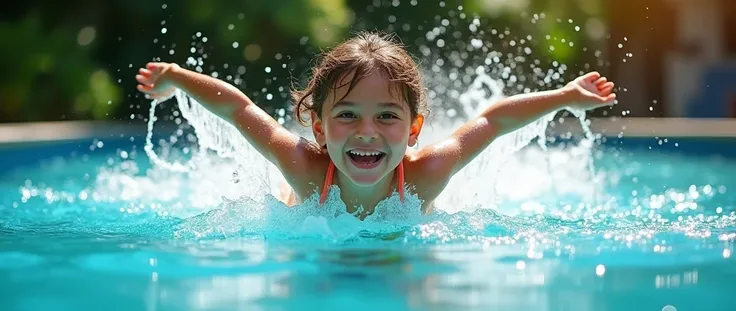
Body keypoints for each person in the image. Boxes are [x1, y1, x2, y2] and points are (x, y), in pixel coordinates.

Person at [135, 32, 615, 218]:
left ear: (413, 130)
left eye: (387, 116)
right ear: (319, 130)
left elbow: (492, 120)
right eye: (347, 116)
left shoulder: (425, 175)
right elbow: (240, 111)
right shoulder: (304, 168)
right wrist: (176, 79)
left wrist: (566, 97)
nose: (367, 131)